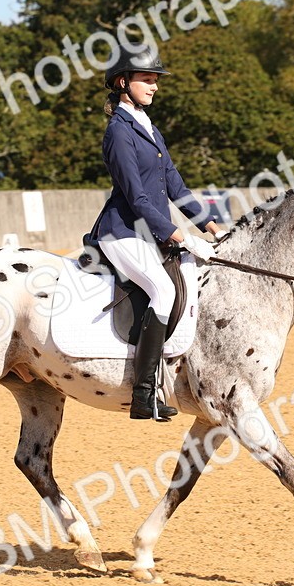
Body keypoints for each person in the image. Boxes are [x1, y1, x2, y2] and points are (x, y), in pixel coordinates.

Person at [90, 45, 223, 421]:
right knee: (163, 291)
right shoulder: (119, 131)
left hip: (149, 232)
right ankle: (142, 393)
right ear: (122, 82)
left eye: (155, 80)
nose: (154, 86)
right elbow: (138, 196)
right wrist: (180, 236)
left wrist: (211, 226)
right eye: (147, 79)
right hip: (122, 232)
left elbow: (175, 185)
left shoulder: (149, 127)